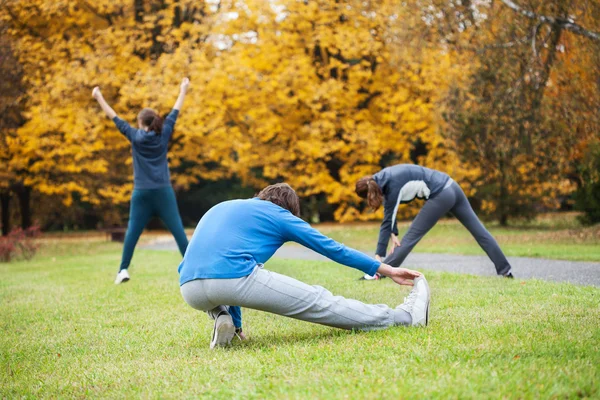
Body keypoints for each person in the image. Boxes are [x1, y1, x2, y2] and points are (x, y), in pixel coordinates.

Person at [178, 183, 431, 349]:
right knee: (318, 300)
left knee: (226, 277)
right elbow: (333, 248)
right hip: (231, 278)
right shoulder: (279, 215)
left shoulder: (226, 207)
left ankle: (223, 319)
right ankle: (403, 318)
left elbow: (215, 258)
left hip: (189, 289)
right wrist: (387, 269)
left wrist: (238, 324)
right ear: (289, 210)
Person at [92, 78, 190, 284]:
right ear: (154, 121)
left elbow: (113, 116)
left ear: (140, 123)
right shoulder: (164, 133)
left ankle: (123, 270)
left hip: (142, 192)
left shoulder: (134, 136)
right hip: (163, 191)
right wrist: (183, 89)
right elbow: (176, 110)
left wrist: (99, 96)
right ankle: (192, 267)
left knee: (133, 232)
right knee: (178, 231)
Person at [355, 164, 513, 280]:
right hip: (452, 186)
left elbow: (387, 219)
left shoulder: (391, 187)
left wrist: (378, 255)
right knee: (480, 232)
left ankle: (378, 274)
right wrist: (393, 233)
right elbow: (391, 213)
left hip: (440, 194)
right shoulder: (384, 176)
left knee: (410, 238)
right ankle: (506, 271)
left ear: (370, 194)